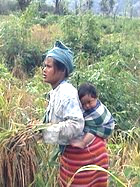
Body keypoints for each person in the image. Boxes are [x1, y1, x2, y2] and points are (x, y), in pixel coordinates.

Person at [42, 41, 113, 186]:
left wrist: (44, 132)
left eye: (48, 66)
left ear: (62, 71)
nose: (44, 70)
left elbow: (76, 125)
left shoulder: (66, 93)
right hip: (74, 152)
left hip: (86, 153)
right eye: (45, 66)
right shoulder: (56, 91)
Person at [70, 82, 115, 149]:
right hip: (101, 126)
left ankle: (83, 143)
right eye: (83, 104)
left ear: (96, 97)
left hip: (107, 127)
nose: (87, 106)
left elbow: (97, 119)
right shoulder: (90, 107)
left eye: (89, 102)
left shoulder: (98, 111)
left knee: (92, 130)